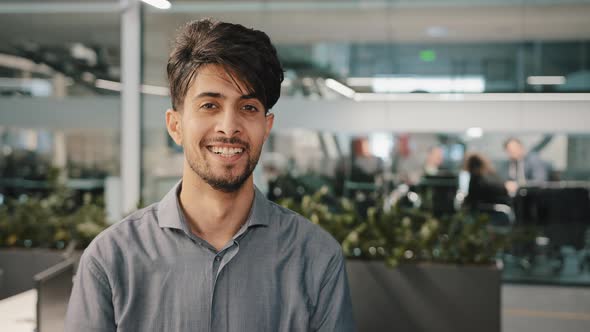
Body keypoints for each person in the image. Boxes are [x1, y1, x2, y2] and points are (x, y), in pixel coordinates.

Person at [65, 19, 355, 332]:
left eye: (248, 108)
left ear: (266, 127)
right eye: (209, 105)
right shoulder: (111, 260)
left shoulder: (315, 258)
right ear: (175, 125)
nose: (228, 127)